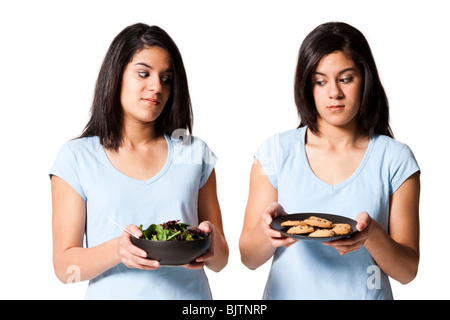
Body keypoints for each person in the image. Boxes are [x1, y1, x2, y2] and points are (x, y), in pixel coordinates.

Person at [239, 22, 420, 299]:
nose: (333, 92)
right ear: (308, 86)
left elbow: (407, 271)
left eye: (346, 79)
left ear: (365, 79)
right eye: (320, 81)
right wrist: (267, 233)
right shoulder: (274, 152)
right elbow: (248, 258)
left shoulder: (395, 159)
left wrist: (371, 236)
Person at [50, 23, 228, 299]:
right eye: (143, 73)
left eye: (166, 78)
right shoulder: (76, 158)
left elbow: (221, 259)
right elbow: (64, 267)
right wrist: (118, 250)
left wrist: (210, 242)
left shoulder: (195, 153)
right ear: (116, 76)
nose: (156, 87)